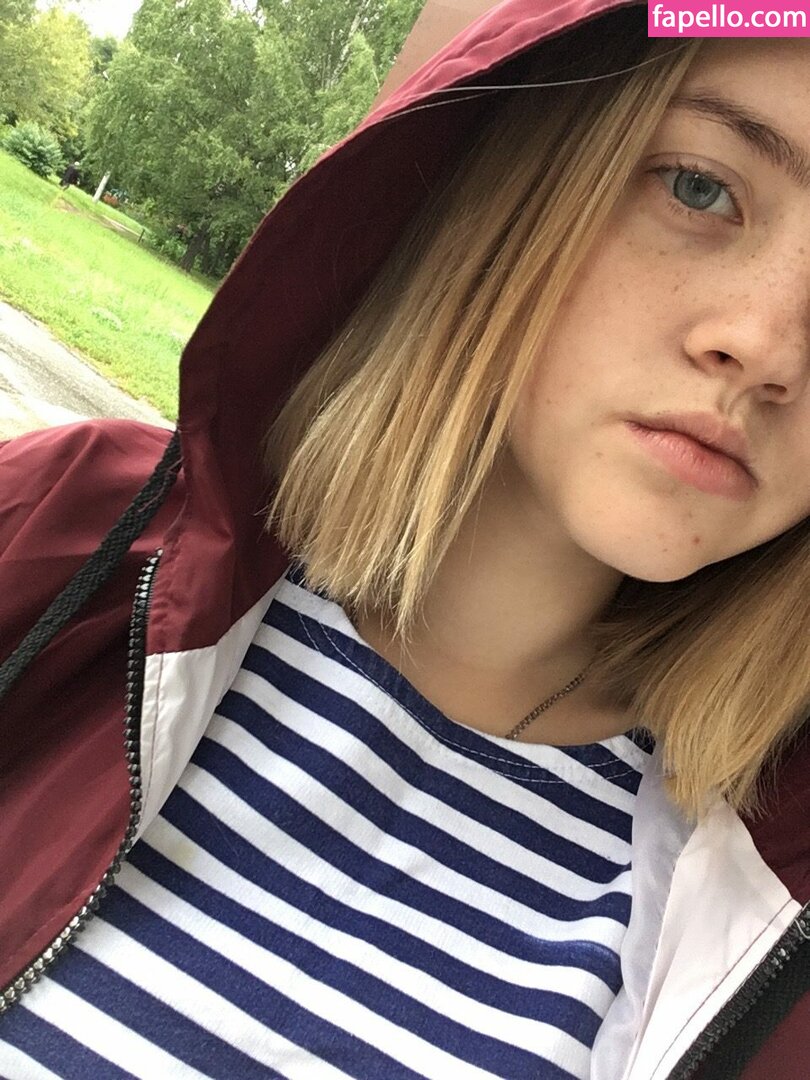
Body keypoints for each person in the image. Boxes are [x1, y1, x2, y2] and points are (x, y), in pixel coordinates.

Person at [0, 1, 808, 1077]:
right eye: (700, 187)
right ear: (525, 173)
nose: (769, 351)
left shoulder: (770, 915)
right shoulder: (66, 535)